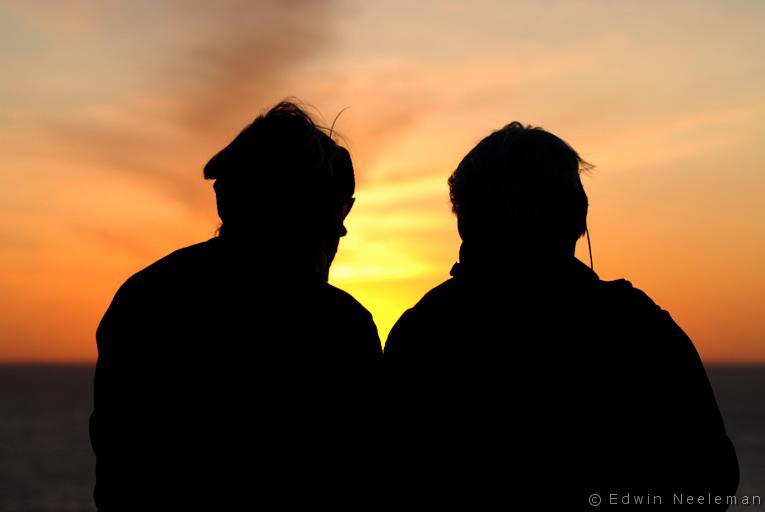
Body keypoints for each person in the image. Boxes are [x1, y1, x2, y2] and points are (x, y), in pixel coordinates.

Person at [384, 122, 739, 509]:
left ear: (464, 218)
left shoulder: (424, 330)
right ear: (576, 217)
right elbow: (713, 477)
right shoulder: (633, 325)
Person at [90, 101, 383, 510]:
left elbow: (120, 477)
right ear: (298, 210)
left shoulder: (144, 300)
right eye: (337, 207)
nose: (343, 227)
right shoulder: (339, 327)